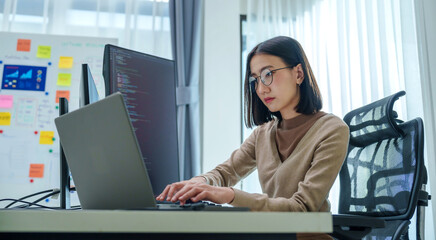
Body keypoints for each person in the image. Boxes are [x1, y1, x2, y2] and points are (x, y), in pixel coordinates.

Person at [157, 36, 349, 239]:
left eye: (268, 74)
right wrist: (198, 183)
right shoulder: (263, 134)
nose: (261, 88)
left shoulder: (332, 130)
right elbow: (225, 172)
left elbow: (302, 208)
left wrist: (231, 195)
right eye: (255, 79)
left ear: (299, 73)